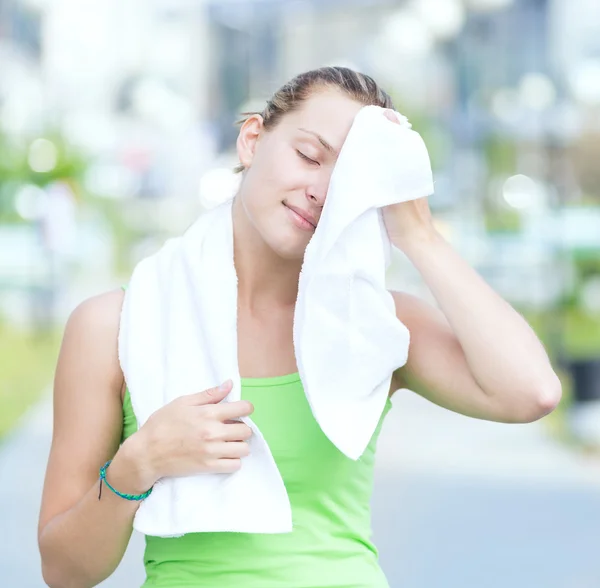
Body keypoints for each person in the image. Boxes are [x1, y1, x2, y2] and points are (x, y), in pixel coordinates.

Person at [38, 66, 562, 588]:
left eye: (351, 181)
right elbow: (64, 571)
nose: (321, 191)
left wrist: (419, 234)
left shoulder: (376, 321)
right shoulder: (114, 326)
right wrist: (138, 463)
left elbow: (530, 393)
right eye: (309, 156)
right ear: (252, 140)